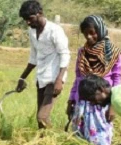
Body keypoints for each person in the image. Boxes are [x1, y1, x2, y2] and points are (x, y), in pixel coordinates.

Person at [67, 15, 121, 145]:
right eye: (86, 35)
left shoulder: (113, 53)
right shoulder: (82, 52)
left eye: (92, 33)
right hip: (82, 104)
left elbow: (117, 79)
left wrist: (113, 105)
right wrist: (71, 99)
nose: (90, 37)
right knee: (82, 142)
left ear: (100, 30)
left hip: (101, 105)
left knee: (102, 143)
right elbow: (78, 78)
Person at [15, 1, 70, 129]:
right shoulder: (32, 31)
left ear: (40, 13)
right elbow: (33, 57)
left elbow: (65, 54)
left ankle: (55, 141)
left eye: (30, 18)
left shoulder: (54, 31)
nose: (28, 22)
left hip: (54, 78)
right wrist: (22, 78)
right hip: (41, 77)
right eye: (25, 20)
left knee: (43, 117)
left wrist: (60, 80)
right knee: (40, 120)